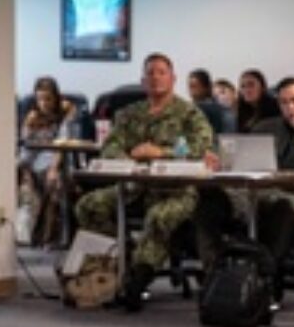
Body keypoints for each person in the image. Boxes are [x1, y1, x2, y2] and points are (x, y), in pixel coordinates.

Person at [74, 52, 214, 312]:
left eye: (162, 72)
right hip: (133, 186)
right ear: (142, 80)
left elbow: (200, 148)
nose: (156, 78)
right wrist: (131, 158)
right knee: (88, 206)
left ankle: (137, 280)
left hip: (175, 190)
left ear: (173, 78)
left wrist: (161, 153)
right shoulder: (128, 114)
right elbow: (110, 148)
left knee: (159, 217)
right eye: (150, 73)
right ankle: (120, 260)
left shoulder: (189, 114)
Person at [195, 77, 294, 273]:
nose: (290, 107)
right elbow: (241, 155)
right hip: (252, 193)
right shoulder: (266, 127)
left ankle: (264, 275)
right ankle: (214, 269)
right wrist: (220, 160)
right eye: (283, 102)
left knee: (282, 207)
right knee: (208, 201)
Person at [17, 76, 76, 246]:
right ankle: (26, 236)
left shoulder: (65, 113)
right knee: (24, 187)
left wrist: (53, 168)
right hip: (34, 163)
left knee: (55, 182)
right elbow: (25, 150)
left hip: (58, 161)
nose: (44, 103)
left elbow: (62, 144)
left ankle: (53, 238)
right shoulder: (32, 118)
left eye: (48, 99)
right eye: (40, 99)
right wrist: (24, 170)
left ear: (56, 98)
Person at [187, 68, 230, 134]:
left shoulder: (210, 109)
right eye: (189, 87)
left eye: (194, 86)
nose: (191, 91)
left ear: (205, 87)